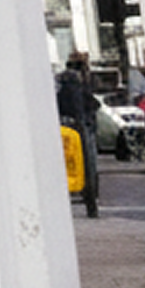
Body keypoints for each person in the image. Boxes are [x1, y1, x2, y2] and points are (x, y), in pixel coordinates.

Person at [56, 55, 100, 218]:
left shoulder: (59, 84)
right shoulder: (78, 84)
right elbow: (92, 105)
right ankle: (91, 204)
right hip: (80, 128)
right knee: (88, 165)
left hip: (62, 127)